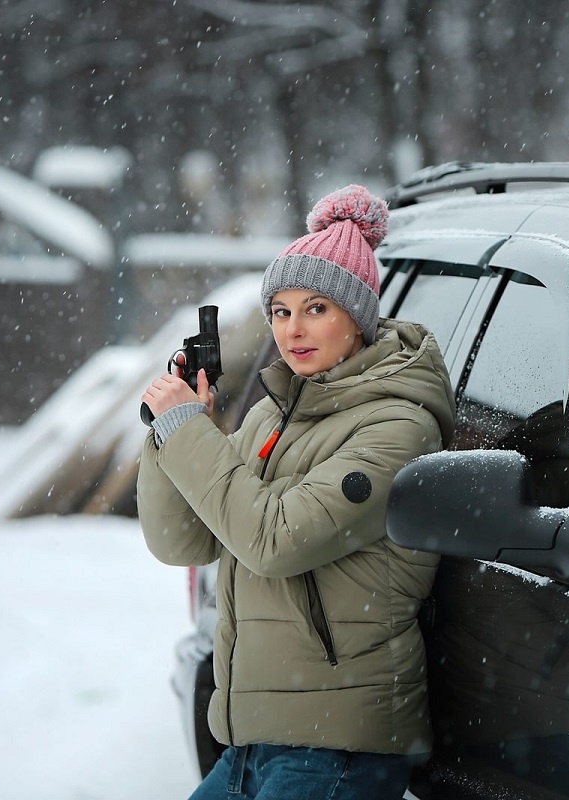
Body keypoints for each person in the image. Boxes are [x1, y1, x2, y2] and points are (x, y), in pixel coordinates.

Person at [137, 184, 456, 800]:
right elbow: (182, 540)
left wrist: (187, 434)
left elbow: (273, 540)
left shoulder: (398, 427)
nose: (292, 330)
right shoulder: (271, 415)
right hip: (253, 744)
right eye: (280, 311)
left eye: (316, 308)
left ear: (357, 317)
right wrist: (172, 435)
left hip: (336, 748)